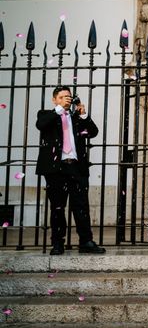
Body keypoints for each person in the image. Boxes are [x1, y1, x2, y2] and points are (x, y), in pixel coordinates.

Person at [36, 86, 105, 256]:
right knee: (58, 207)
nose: (66, 99)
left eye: (68, 96)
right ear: (55, 100)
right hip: (56, 169)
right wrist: (59, 110)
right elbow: (41, 125)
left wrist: (82, 114)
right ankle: (58, 243)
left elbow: (93, 132)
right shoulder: (46, 115)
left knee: (81, 206)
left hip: (76, 167)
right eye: (62, 97)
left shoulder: (76, 119)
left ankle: (86, 242)